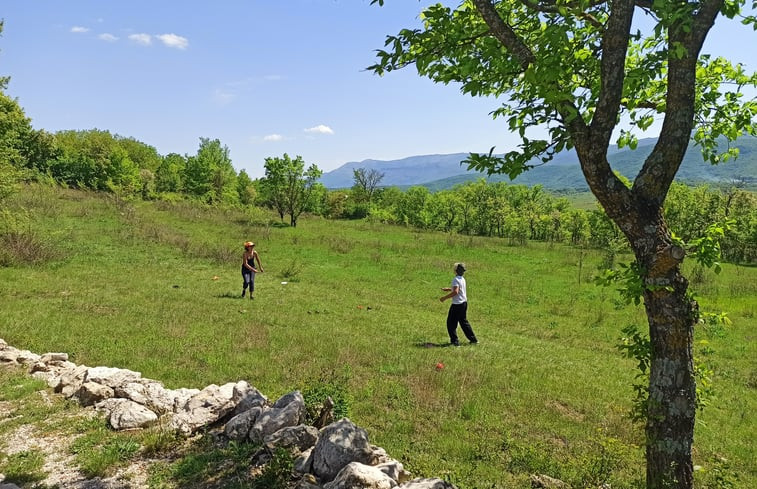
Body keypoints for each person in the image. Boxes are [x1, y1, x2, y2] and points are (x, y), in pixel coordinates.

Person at [439, 262, 478, 346]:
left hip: (457, 305)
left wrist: (444, 298)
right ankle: (473, 340)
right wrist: (449, 289)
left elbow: (456, 292)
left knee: (451, 323)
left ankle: (455, 342)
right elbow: (458, 289)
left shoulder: (455, 279)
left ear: (455, 270)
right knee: (464, 322)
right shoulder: (462, 279)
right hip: (464, 303)